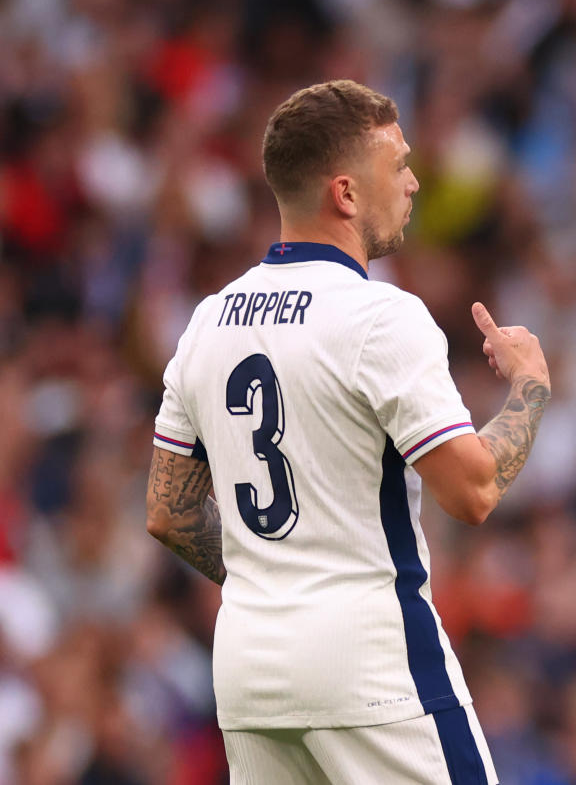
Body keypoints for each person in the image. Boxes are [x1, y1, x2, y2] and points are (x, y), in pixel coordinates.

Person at [145, 80, 551, 785]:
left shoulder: (207, 320)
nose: (415, 182)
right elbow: (474, 489)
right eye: (397, 164)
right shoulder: (379, 316)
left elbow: (169, 510)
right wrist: (531, 387)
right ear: (346, 193)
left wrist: (274, 576)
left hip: (249, 669)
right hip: (370, 663)